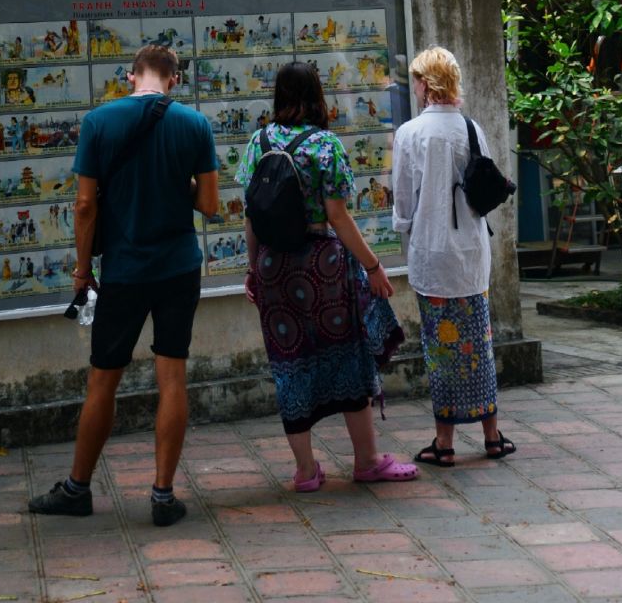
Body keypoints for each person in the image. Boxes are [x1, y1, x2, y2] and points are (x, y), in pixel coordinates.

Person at [28, 44, 219, 526]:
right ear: (174, 80)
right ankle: (162, 496)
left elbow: (85, 206)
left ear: (131, 76)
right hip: (178, 268)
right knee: (172, 377)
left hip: (124, 271)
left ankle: (77, 489)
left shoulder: (98, 122)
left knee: (103, 379)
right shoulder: (194, 125)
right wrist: (180, 182)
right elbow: (211, 205)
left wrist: (81, 269)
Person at [235, 61, 417, 489]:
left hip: (274, 267)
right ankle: (368, 460)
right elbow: (337, 216)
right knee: (349, 355)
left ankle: (304, 471)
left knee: (289, 362)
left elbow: (251, 216)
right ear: (317, 95)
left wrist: (252, 268)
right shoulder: (325, 145)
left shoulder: (257, 142)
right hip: (323, 266)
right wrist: (373, 266)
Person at [391, 46, 516, 466]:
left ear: (426, 84)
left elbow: (404, 204)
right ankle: (492, 435)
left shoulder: (410, 133)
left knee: (440, 347)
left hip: (431, 253)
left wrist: (407, 227)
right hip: (470, 253)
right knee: (478, 344)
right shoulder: (470, 127)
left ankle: (444, 442)